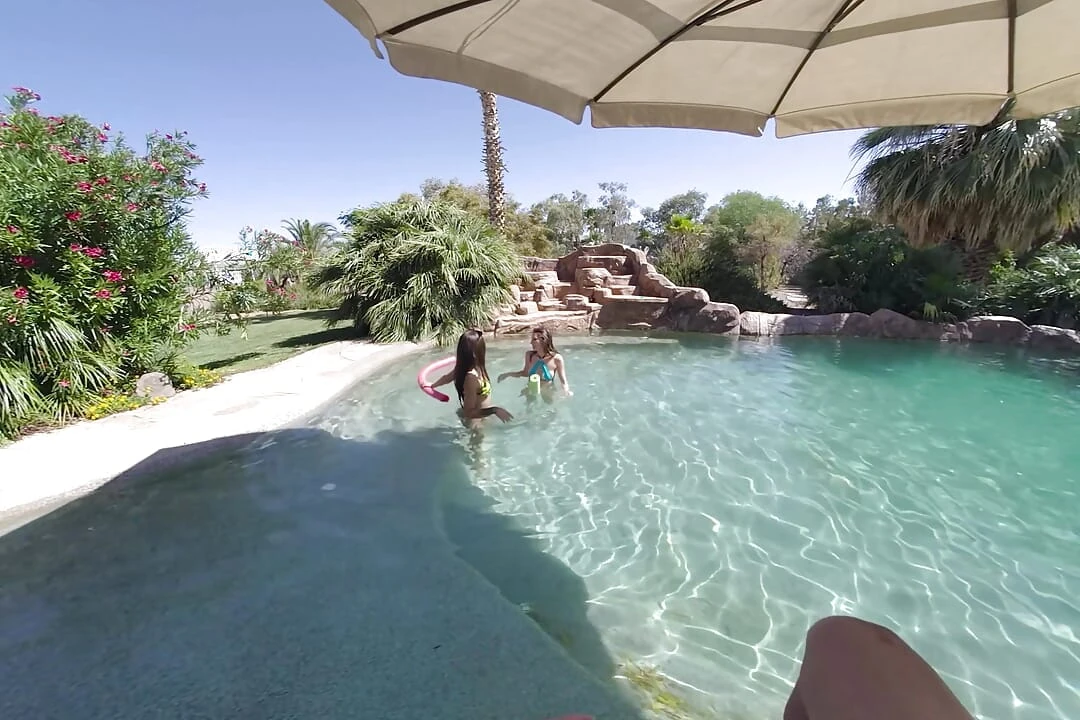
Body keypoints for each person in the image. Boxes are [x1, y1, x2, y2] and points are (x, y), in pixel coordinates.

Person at [426, 329, 513, 428]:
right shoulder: (470, 379)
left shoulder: (472, 368)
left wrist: (433, 385)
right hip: (476, 424)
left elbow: (447, 378)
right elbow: (469, 413)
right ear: (476, 354)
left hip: (483, 417)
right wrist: (494, 410)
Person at [498, 326, 571, 398]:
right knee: (529, 408)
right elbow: (525, 373)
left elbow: (563, 382)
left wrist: (566, 391)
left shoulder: (557, 359)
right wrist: (507, 374)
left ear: (543, 340)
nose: (531, 342)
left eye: (534, 339)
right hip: (531, 390)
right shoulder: (529, 355)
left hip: (548, 392)